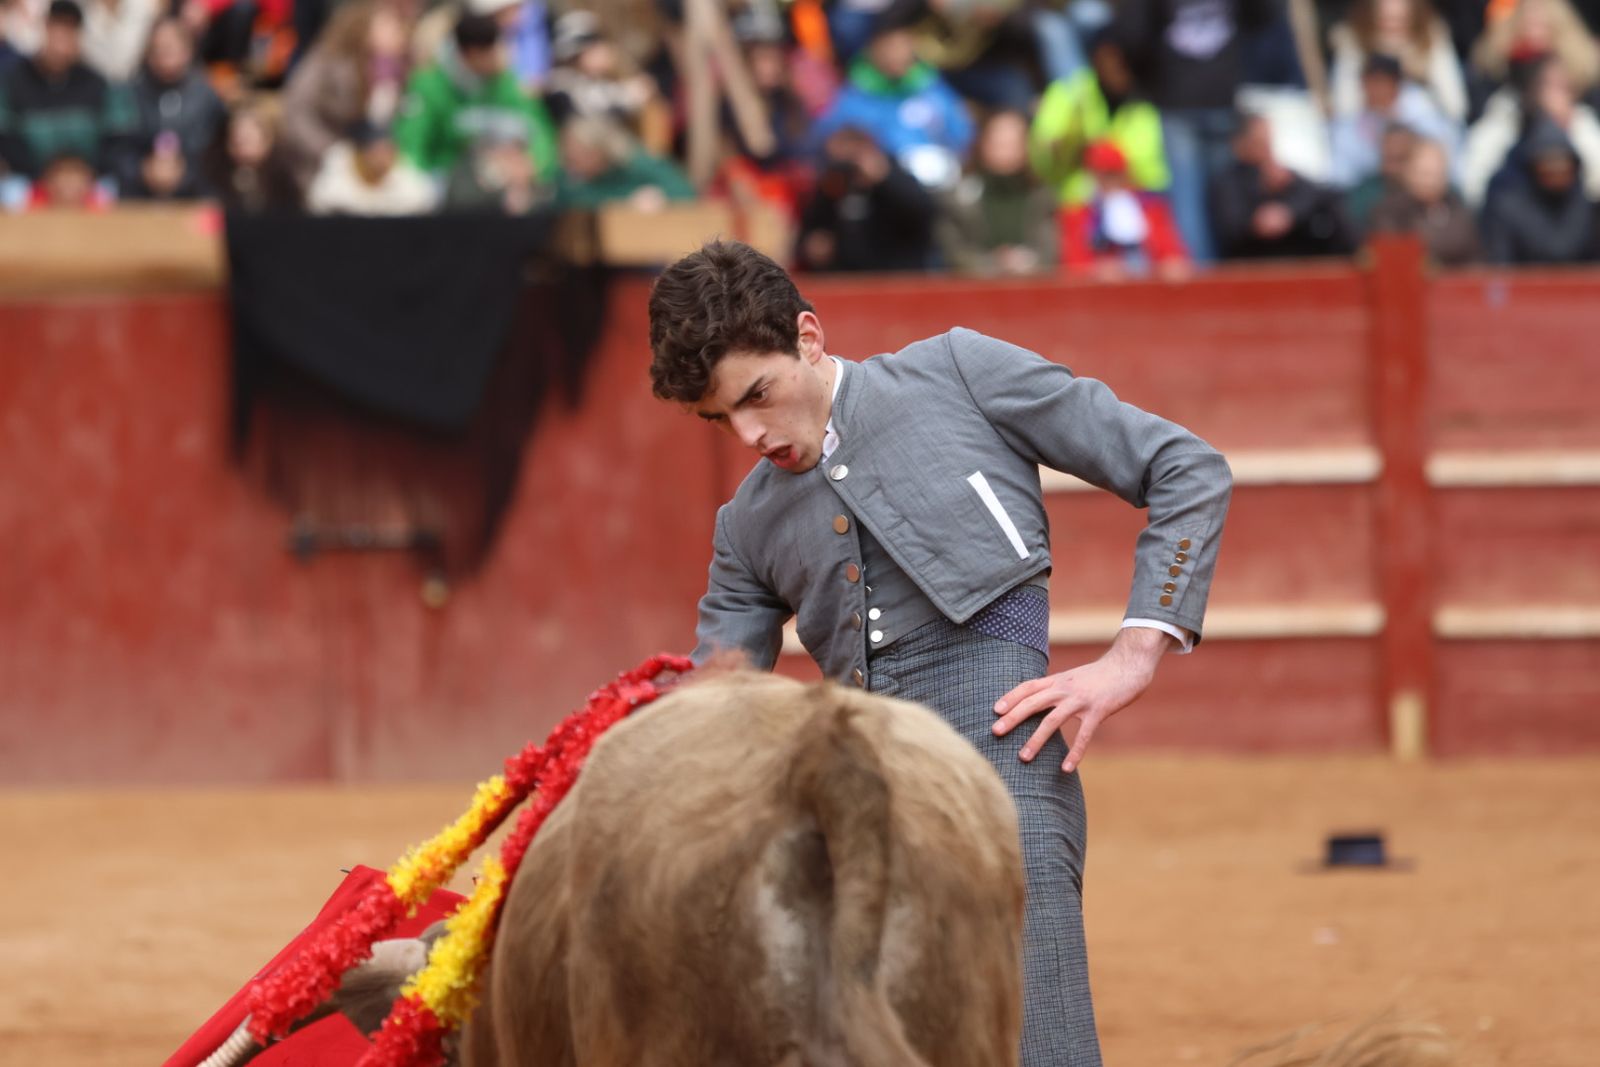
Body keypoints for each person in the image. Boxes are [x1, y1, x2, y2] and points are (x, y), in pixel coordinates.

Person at [646, 239, 1231, 1067]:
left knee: (1044, 1044)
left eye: (758, 394)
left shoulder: (958, 372)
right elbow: (712, 696)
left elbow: (1185, 468)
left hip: (1008, 762)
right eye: (720, 418)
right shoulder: (745, 526)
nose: (748, 433)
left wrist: (1136, 652)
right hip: (856, 801)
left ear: (808, 339)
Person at [1108, 0, 1277, 263]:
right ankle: (1223, 275)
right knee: (1221, 198)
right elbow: (1263, 17)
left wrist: (1151, 76)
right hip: (1215, 95)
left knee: (1192, 202)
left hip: (1182, 98)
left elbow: (1131, 34)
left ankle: (1206, 279)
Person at [811, 8, 974, 189]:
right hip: (884, 186)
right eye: (891, 45)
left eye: (904, 44)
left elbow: (961, 132)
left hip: (938, 180)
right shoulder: (852, 95)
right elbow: (826, 139)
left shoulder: (930, 86)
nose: (898, 53)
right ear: (874, 48)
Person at [394, 12, 557, 182]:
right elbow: (411, 149)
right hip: (447, 189)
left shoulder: (506, 82)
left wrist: (533, 166)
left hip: (505, 188)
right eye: (493, 51)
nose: (502, 55)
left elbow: (539, 131)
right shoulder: (428, 86)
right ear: (472, 54)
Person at [278, 0, 410, 194]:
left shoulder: (398, 69)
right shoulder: (328, 60)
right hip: (323, 160)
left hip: (373, 163)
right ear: (364, 27)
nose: (395, 32)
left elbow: (396, 123)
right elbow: (296, 112)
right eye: (386, 25)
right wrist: (330, 151)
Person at [1030, 34, 1169, 209]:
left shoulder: (1149, 102)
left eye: (1126, 60)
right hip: (1077, 206)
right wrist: (1062, 148)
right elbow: (1043, 152)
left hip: (1136, 203)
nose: (1118, 67)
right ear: (1096, 60)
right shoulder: (1069, 92)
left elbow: (1153, 171)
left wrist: (1102, 158)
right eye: (1111, 59)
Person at [1210, 112, 1357, 259]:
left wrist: (1289, 210)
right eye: (1259, 143)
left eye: (1269, 142)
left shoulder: (1284, 175)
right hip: (1256, 260)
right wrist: (1262, 206)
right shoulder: (1227, 181)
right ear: (1238, 144)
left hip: (1301, 254)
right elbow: (1232, 228)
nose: (1267, 150)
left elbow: (1324, 194)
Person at [796, 124, 937, 270]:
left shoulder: (897, 178)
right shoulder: (834, 184)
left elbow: (923, 214)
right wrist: (814, 242)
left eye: (851, 159)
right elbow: (812, 227)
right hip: (845, 278)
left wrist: (883, 179)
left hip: (896, 275)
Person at [937, 108, 1058, 275]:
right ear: (982, 144)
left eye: (1012, 143)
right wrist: (992, 264)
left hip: (1030, 288)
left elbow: (1048, 251)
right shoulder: (959, 197)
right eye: (998, 142)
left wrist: (1024, 262)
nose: (1004, 150)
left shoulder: (1042, 197)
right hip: (973, 291)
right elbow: (953, 252)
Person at [120, 16, 224, 199]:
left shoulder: (207, 97)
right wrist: (142, 170)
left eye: (170, 46)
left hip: (194, 187)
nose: (163, 52)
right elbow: (117, 148)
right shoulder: (129, 94)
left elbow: (217, 150)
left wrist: (184, 172)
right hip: (138, 189)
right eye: (157, 47)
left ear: (187, 50)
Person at [1059, 139, 1188, 277]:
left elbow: (1173, 253)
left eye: (1114, 174)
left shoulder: (1150, 207)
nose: (1111, 182)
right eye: (1103, 176)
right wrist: (1097, 270)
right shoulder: (1078, 215)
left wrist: (1169, 264)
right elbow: (1074, 267)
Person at [1327, 52, 1456, 190]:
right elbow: (1342, 178)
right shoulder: (1348, 127)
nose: (1374, 89)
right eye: (1369, 82)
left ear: (1397, 84)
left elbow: (1443, 164)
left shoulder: (1423, 115)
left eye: (1381, 82)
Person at [1327, 0, 1468, 123]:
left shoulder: (1431, 39)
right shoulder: (1353, 43)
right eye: (1385, 21)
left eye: (1400, 22)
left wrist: (1417, 74)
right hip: (1366, 135)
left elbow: (1456, 107)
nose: (1393, 28)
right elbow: (1344, 109)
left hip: (1422, 135)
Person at [1481, 117, 1597, 263]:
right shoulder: (1507, 207)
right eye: (1549, 164)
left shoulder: (1585, 204)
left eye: (1563, 163)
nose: (1557, 170)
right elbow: (1500, 264)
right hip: (1521, 283)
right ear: (1532, 166)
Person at [1368, 137, 1480, 265]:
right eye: (1424, 173)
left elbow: (1474, 258)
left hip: (1457, 281)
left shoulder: (1458, 210)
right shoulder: (1390, 212)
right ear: (1408, 172)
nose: (1429, 181)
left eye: (1436, 174)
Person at [306, 118, 437, 214]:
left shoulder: (404, 175)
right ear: (359, 153)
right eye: (376, 151)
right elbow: (319, 202)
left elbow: (424, 199)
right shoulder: (338, 170)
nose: (383, 158)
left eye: (388, 151)